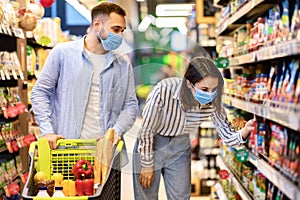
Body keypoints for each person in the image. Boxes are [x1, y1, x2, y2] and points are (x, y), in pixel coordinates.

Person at [132, 56, 255, 200]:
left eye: (213, 89)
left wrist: (245, 130)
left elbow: (227, 135)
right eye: (204, 89)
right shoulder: (164, 91)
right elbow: (147, 129)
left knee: (181, 196)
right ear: (189, 84)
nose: (209, 94)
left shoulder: (213, 102)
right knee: (146, 196)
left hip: (180, 145)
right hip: (152, 143)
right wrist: (147, 163)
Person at [30, 2, 138, 149]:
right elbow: (40, 92)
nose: (119, 36)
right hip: (67, 149)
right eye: (116, 29)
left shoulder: (123, 66)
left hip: (107, 152)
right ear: (97, 25)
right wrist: (47, 131)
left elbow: (130, 105)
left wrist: (116, 131)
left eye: (122, 31)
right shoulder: (62, 54)